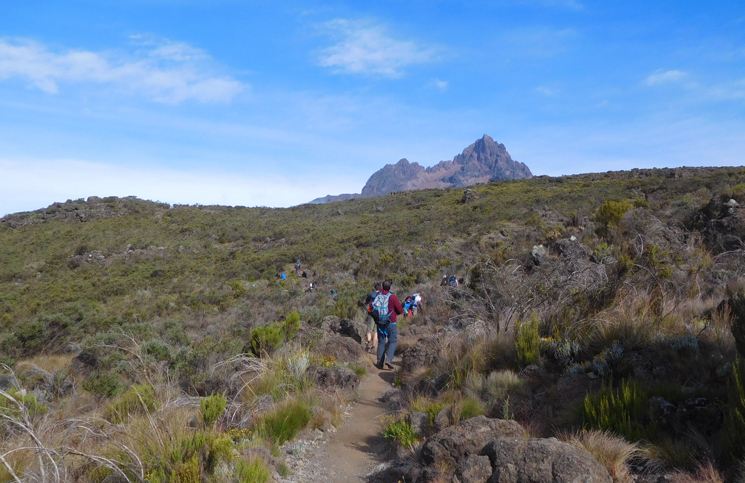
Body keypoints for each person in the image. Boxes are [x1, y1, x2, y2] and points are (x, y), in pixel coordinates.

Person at [373, 280, 403, 370]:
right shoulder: (392, 297)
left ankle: (380, 362)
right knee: (392, 341)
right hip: (391, 322)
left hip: (380, 322)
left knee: (381, 341)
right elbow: (400, 310)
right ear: (390, 287)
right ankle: (389, 359)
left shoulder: (378, 295)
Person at [364, 282, 382, 353]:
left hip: (372, 313)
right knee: (376, 332)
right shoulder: (383, 296)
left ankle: (368, 342)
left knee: (369, 330)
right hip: (380, 315)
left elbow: (365, 301)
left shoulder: (372, 294)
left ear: (374, 288)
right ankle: (373, 347)